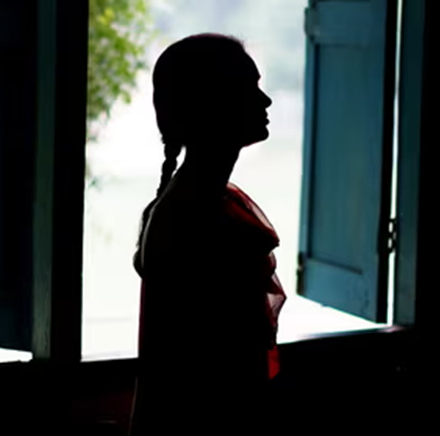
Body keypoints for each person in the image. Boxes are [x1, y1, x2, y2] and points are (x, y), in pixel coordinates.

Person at [129, 33, 286, 436]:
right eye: (249, 88)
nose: (266, 101)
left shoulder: (208, 200)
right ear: (212, 102)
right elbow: (208, 364)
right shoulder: (194, 212)